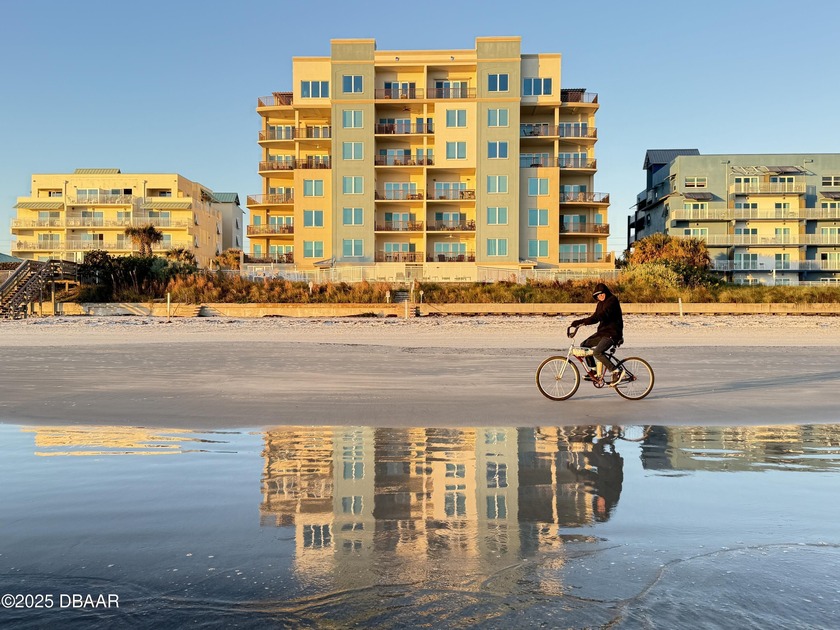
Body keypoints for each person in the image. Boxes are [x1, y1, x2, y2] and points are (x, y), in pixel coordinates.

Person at [571, 283, 624, 386]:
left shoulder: (612, 301)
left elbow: (602, 315)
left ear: (606, 292)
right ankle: (594, 371)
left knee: (597, 353)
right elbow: (595, 317)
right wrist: (580, 322)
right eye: (598, 296)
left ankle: (616, 371)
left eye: (602, 294)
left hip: (613, 333)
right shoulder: (600, 304)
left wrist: (585, 321)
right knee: (584, 345)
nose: (600, 296)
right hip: (603, 332)